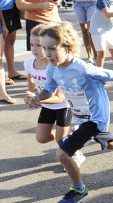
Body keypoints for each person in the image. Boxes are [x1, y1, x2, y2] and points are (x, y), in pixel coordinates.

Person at [27, 22, 113, 203]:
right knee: (110, 143)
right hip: (82, 118)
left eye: (52, 48)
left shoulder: (84, 69)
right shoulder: (53, 68)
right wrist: (37, 98)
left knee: (62, 153)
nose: (47, 53)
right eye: (44, 48)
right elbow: (49, 90)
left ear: (68, 49)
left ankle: (79, 189)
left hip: (96, 118)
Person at [23, 24, 85, 165]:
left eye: (39, 45)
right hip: (47, 104)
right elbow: (31, 77)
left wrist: (38, 100)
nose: (34, 49)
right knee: (42, 138)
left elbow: (59, 97)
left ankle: (76, 154)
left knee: (60, 140)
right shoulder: (29, 63)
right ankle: (72, 134)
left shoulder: (56, 66)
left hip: (64, 106)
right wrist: (30, 93)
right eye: (31, 44)